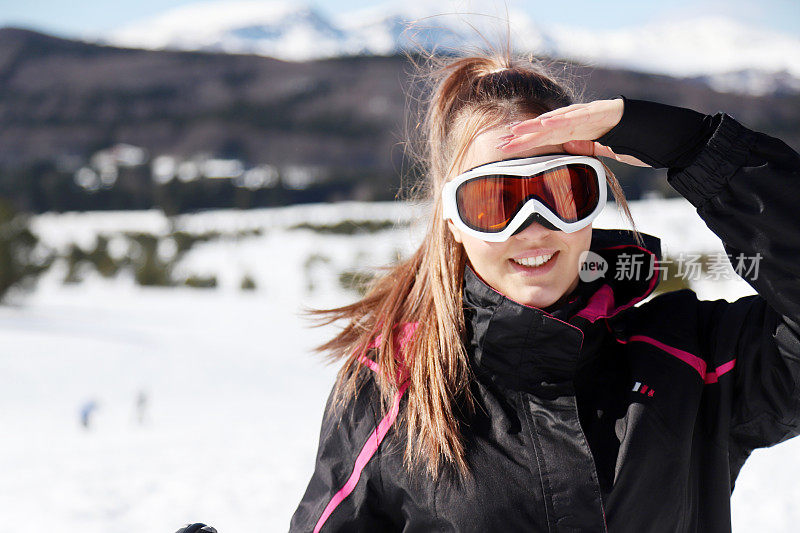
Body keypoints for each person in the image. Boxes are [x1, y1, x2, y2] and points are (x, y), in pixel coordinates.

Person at [289, 51, 800, 532]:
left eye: (563, 192)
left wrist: (698, 149)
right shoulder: (396, 384)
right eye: (493, 202)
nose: (533, 228)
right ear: (453, 218)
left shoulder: (689, 357)